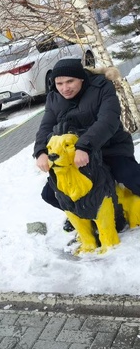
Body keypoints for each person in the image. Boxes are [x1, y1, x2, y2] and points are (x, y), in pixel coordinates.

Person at [33, 57, 140, 230]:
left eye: (70, 81)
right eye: (59, 83)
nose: (64, 88)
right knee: (50, 194)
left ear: (81, 78)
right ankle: (81, 214)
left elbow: (108, 120)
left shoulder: (102, 87)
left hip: (110, 147)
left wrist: (84, 146)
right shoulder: (54, 97)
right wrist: (40, 151)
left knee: (129, 176)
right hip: (72, 157)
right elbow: (45, 127)